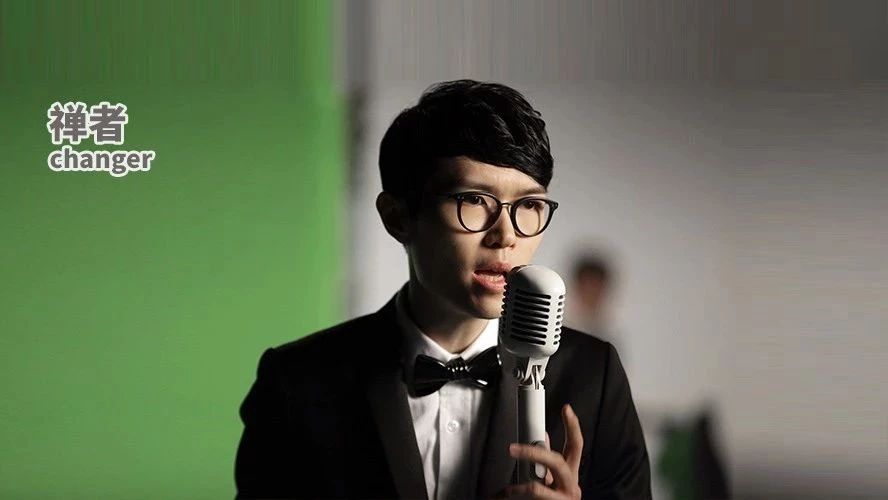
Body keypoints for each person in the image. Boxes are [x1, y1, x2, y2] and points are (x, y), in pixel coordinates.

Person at [234, 80, 651, 499]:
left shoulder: (594, 379)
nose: (506, 236)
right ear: (398, 217)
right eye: (474, 200)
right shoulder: (296, 384)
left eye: (528, 205)